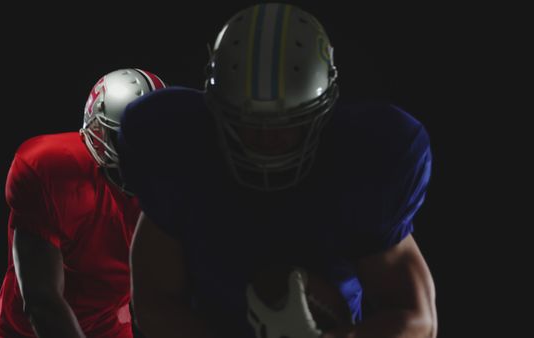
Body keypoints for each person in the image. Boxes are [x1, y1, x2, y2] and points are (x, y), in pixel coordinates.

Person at [122, 3, 437, 338]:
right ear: (215, 108)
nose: (266, 139)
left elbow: (416, 319)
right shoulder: (178, 151)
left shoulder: (364, 164)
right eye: (248, 122)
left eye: (288, 123)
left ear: (323, 112)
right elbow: (155, 302)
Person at [0, 68, 166, 338]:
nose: (140, 155)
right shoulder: (52, 170)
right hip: (27, 333)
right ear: (97, 128)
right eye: (126, 140)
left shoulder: (176, 183)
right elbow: (41, 300)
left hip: (110, 327)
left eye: (151, 141)